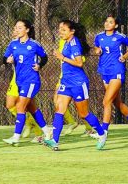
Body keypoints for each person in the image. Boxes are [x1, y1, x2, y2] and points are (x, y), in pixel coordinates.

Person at [43, 20, 107, 151]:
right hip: (66, 82)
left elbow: (79, 63)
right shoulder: (66, 43)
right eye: (60, 29)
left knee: (84, 114)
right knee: (59, 109)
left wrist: (62, 57)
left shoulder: (74, 44)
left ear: (72, 31)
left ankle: (102, 134)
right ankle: (55, 141)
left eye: (64, 30)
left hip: (78, 83)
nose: (61, 32)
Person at [1, 20, 51, 146]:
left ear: (27, 30)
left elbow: (44, 57)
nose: (16, 30)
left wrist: (39, 65)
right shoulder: (13, 44)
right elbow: (4, 58)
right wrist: (8, 60)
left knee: (20, 107)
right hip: (20, 81)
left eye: (19, 28)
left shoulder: (34, 44)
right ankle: (47, 131)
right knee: (31, 108)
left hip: (31, 80)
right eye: (16, 28)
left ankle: (15, 138)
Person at [93, 15, 128, 136]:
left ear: (115, 25)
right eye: (106, 21)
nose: (107, 24)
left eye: (110, 22)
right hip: (104, 71)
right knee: (116, 102)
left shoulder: (120, 37)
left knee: (106, 101)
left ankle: (103, 131)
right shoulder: (99, 36)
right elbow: (96, 47)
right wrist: (97, 51)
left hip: (117, 70)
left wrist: (124, 56)